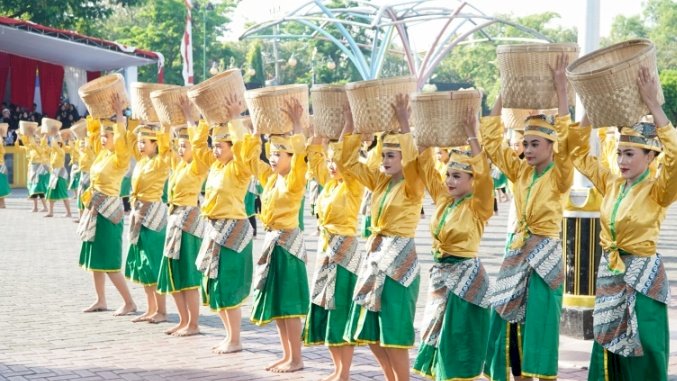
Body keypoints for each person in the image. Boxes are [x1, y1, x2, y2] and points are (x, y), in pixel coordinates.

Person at [568, 67, 675, 381]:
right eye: (619, 154)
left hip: (643, 276)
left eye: (629, 154)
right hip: (612, 273)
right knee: (608, 343)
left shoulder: (659, 189)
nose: (622, 161)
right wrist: (590, 108)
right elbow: (576, 152)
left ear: (649, 156)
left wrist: (655, 107)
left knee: (646, 345)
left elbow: (676, 155)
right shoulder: (612, 182)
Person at [482, 54, 573, 381]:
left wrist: (562, 93)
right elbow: (491, 140)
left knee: (541, 323)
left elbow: (570, 143)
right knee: (509, 320)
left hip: (546, 255)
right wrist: (505, 93)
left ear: (551, 145)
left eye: (536, 144)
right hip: (518, 251)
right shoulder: (520, 173)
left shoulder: (559, 175)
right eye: (525, 144)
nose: (529, 149)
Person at [337, 94, 424, 381]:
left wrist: (403, 121)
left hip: (399, 259)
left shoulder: (413, 185)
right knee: (368, 325)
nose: (385, 160)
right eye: (383, 154)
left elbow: (414, 159)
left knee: (394, 328)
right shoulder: (379, 181)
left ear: (403, 158)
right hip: (375, 255)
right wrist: (350, 124)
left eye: (391, 155)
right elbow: (347, 161)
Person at [412, 108, 494, 381]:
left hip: (466, 282)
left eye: (457, 176)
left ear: (473, 181)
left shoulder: (478, 206)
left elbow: (485, 176)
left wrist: (472, 135)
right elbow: (425, 165)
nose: (449, 181)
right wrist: (421, 128)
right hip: (441, 278)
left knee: (457, 342)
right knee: (436, 336)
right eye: (448, 175)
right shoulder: (444, 200)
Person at [302, 105, 364, 381]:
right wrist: (317, 134)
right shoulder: (329, 185)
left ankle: (346, 371)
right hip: (326, 250)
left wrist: (348, 122)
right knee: (326, 307)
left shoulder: (353, 184)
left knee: (340, 307)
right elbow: (314, 157)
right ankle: (337, 368)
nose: (331, 164)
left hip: (344, 251)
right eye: (329, 161)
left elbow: (345, 157)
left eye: (335, 160)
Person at [249, 98, 309, 373]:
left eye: (278, 155)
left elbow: (300, 160)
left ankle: (297, 358)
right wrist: (254, 135)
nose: (272, 159)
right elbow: (250, 160)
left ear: (291, 157)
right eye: (271, 154)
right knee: (278, 304)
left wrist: (297, 127)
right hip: (272, 243)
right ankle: (287, 355)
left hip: (288, 245)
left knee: (290, 304)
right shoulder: (272, 179)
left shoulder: (294, 180)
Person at [196, 94, 259, 353]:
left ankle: (235, 339)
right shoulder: (216, 168)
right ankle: (228, 336)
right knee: (214, 285)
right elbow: (198, 150)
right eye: (215, 145)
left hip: (233, 230)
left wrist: (234, 120)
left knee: (228, 285)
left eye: (221, 145)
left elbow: (246, 151)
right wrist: (201, 123)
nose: (215, 149)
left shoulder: (238, 168)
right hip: (214, 229)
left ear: (233, 147)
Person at [76, 95, 136, 316]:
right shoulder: (102, 154)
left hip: (109, 211)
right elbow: (92, 134)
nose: (103, 138)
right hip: (95, 209)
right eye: (103, 135)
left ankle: (129, 302)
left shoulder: (120, 159)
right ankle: (100, 299)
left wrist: (119, 116)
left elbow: (122, 139)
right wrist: (96, 114)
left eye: (108, 136)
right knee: (96, 258)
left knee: (109, 260)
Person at [156, 98, 210, 337]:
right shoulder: (177, 166)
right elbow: (164, 147)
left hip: (188, 220)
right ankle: (183, 320)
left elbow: (200, 146)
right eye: (179, 145)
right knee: (173, 272)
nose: (180, 149)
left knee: (188, 274)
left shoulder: (198, 166)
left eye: (184, 145)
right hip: (174, 218)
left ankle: (194, 324)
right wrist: (165, 124)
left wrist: (191, 120)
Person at [124, 123, 171, 324]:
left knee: (154, 262)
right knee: (143, 263)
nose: (141, 146)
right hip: (139, 213)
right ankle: (151, 308)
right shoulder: (142, 162)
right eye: (140, 142)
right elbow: (129, 142)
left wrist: (164, 127)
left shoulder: (161, 161)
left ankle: (161, 310)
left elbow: (167, 146)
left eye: (145, 142)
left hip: (153, 214)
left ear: (156, 144)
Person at [17, 124, 49, 212]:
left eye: (39, 140)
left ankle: (43, 207)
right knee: (32, 187)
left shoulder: (40, 148)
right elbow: (19, 147)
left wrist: (32, 135)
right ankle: (36, 207)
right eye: (36, 140)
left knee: (38, 187)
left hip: (39, 168)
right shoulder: (30, 147)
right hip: (31, 168)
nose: (37, 142)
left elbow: (37, 144)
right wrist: (19, 136)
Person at [44, 132, 73, 218]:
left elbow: (55, 146)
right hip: (53, 174)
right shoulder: (53, 152)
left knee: (63, 193)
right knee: (50, 193)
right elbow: (44, 147)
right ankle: (50, 212)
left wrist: (54, 137)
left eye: (58, 143)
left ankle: (69, 212)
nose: (55, 144)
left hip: (60, 174)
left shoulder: (61, 151)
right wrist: (45, 136)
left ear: (60, 144)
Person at [0, 124, 10, 207]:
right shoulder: (1, 141)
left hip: (1, 164)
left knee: (2, 183)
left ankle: (2, 203)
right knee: (2, 183)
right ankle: (2, 203)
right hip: (2, 164)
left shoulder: (1, 141)